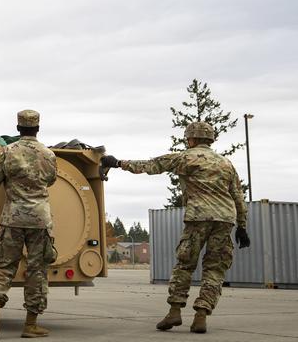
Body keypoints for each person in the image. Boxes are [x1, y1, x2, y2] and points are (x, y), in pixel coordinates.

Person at [101, 121, 250, 334]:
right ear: (210, 139)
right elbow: (238, 196)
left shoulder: (185, 157)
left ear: (192, 139)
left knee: (185, 265)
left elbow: (151, 166)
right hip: (225, 220)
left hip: (198, 218)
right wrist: (242, 226)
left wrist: (118, 163)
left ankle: (174, 312)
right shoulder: (226, 163)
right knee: (215, 269)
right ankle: (201, 315)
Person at [0, 109, 57, 338]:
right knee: (37, 271)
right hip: (40, 221)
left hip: (13, 218)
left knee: (4, 266)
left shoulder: (7, 151)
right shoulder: (48, 155)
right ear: (38, 128)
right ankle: (31, 324)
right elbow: (51, 179)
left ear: (18, 129)